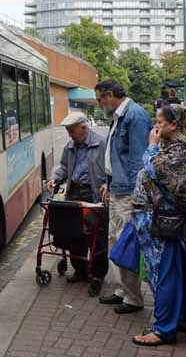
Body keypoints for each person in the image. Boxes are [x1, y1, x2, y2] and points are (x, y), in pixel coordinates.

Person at [127, 104, 186, 346]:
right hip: (171, 222)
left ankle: (164, 329)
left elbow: (157, 171)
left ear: (174, 125)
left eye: (160, 123)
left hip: (167, 223)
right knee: (178, 270)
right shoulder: (179, 147)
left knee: (164, 274)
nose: (156, 127)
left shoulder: (180, 152)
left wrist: (151, 147)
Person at [95, 79, 152, 314]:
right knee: (115, 241)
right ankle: (121, 290)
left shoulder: (135, 116)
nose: (99, 104)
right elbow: (115, 157)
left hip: (129, 192)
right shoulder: (119, 117)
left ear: (109, 95)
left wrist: (137, 197)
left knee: (126, 242)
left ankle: (133, 297)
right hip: (118, 188)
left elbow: (140, 161)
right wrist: (109, 184)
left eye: (99, 99)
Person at [47, 112, 108, 283]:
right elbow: (64, 167)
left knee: (97, 234)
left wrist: (108, 184)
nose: (70, 135)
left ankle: (97, 273)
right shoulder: (70, 146)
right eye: (68, 131)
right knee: (74, 233)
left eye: (72, 131)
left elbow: (111, 168)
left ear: (83, 128)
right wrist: (54, 178)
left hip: (93, 192)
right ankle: (80, 270)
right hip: (74, 191)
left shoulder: (101, 143)